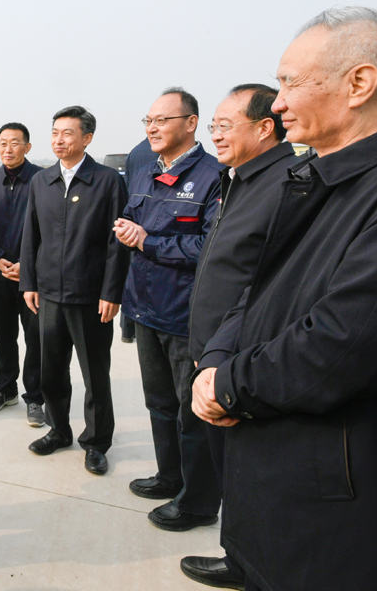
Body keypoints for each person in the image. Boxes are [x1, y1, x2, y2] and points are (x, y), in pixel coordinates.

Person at [191, 7, 377, 591]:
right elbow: (259, 289)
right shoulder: (317, 177)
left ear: (359, 84)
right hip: (275, 492)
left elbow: (341, 345)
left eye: (290, 83)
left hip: (333, 515)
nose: (279, 103)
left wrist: (229, 384)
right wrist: (215, 358)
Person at [178, 84, 296, 590]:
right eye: (214, 127)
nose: (216, 136)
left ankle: (251, 563)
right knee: (230, 466)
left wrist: (222, 355)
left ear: (265, 127)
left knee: (250, 470)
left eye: (225, 126)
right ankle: (239, 553)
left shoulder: (287, 186)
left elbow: (267, 284)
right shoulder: (241, 179)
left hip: (241, 358)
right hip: (213, 351)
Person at [113, 87, 221, 531]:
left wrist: (148, 241)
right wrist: (128, 234)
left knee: (190, 412)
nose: (153, 128)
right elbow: (130, 226)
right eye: (149, 121)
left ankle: (197, 502)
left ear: (191, 123)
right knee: (158, 404)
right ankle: (169, 477)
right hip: (145, 309)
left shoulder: (214, 176)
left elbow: (211, 248)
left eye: (162, 120)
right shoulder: (144, 173)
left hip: (184, 315)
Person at [20, 105, 129, 475]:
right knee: (50, 371)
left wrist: (111, 292)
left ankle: (96, 443)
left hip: (90, 297)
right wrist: (29, 283)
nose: (59, 140)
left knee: (95, 375)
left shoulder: (107, 182)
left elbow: (117, 243)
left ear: (87, 138)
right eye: (55, 133)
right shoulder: (42, 181)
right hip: (48, 294)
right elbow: (30, 236)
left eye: (68, 133)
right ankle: (59, 430)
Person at [0, 123, 45, 426]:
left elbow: (49, 227)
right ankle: (6, 390)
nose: (8, 149)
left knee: (35, 338)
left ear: (27, 147)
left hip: (32, 278)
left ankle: (35, 397)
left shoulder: (42, 179)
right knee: (4, 335)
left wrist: (28, 265)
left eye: (15, 143)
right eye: (3, 143)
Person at [119, 138, 159, 343]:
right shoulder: (156, 153)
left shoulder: (135, 152)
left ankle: (127, 331)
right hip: (151, 224)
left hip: (134, 219)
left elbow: (128, 186)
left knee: (132, 277)